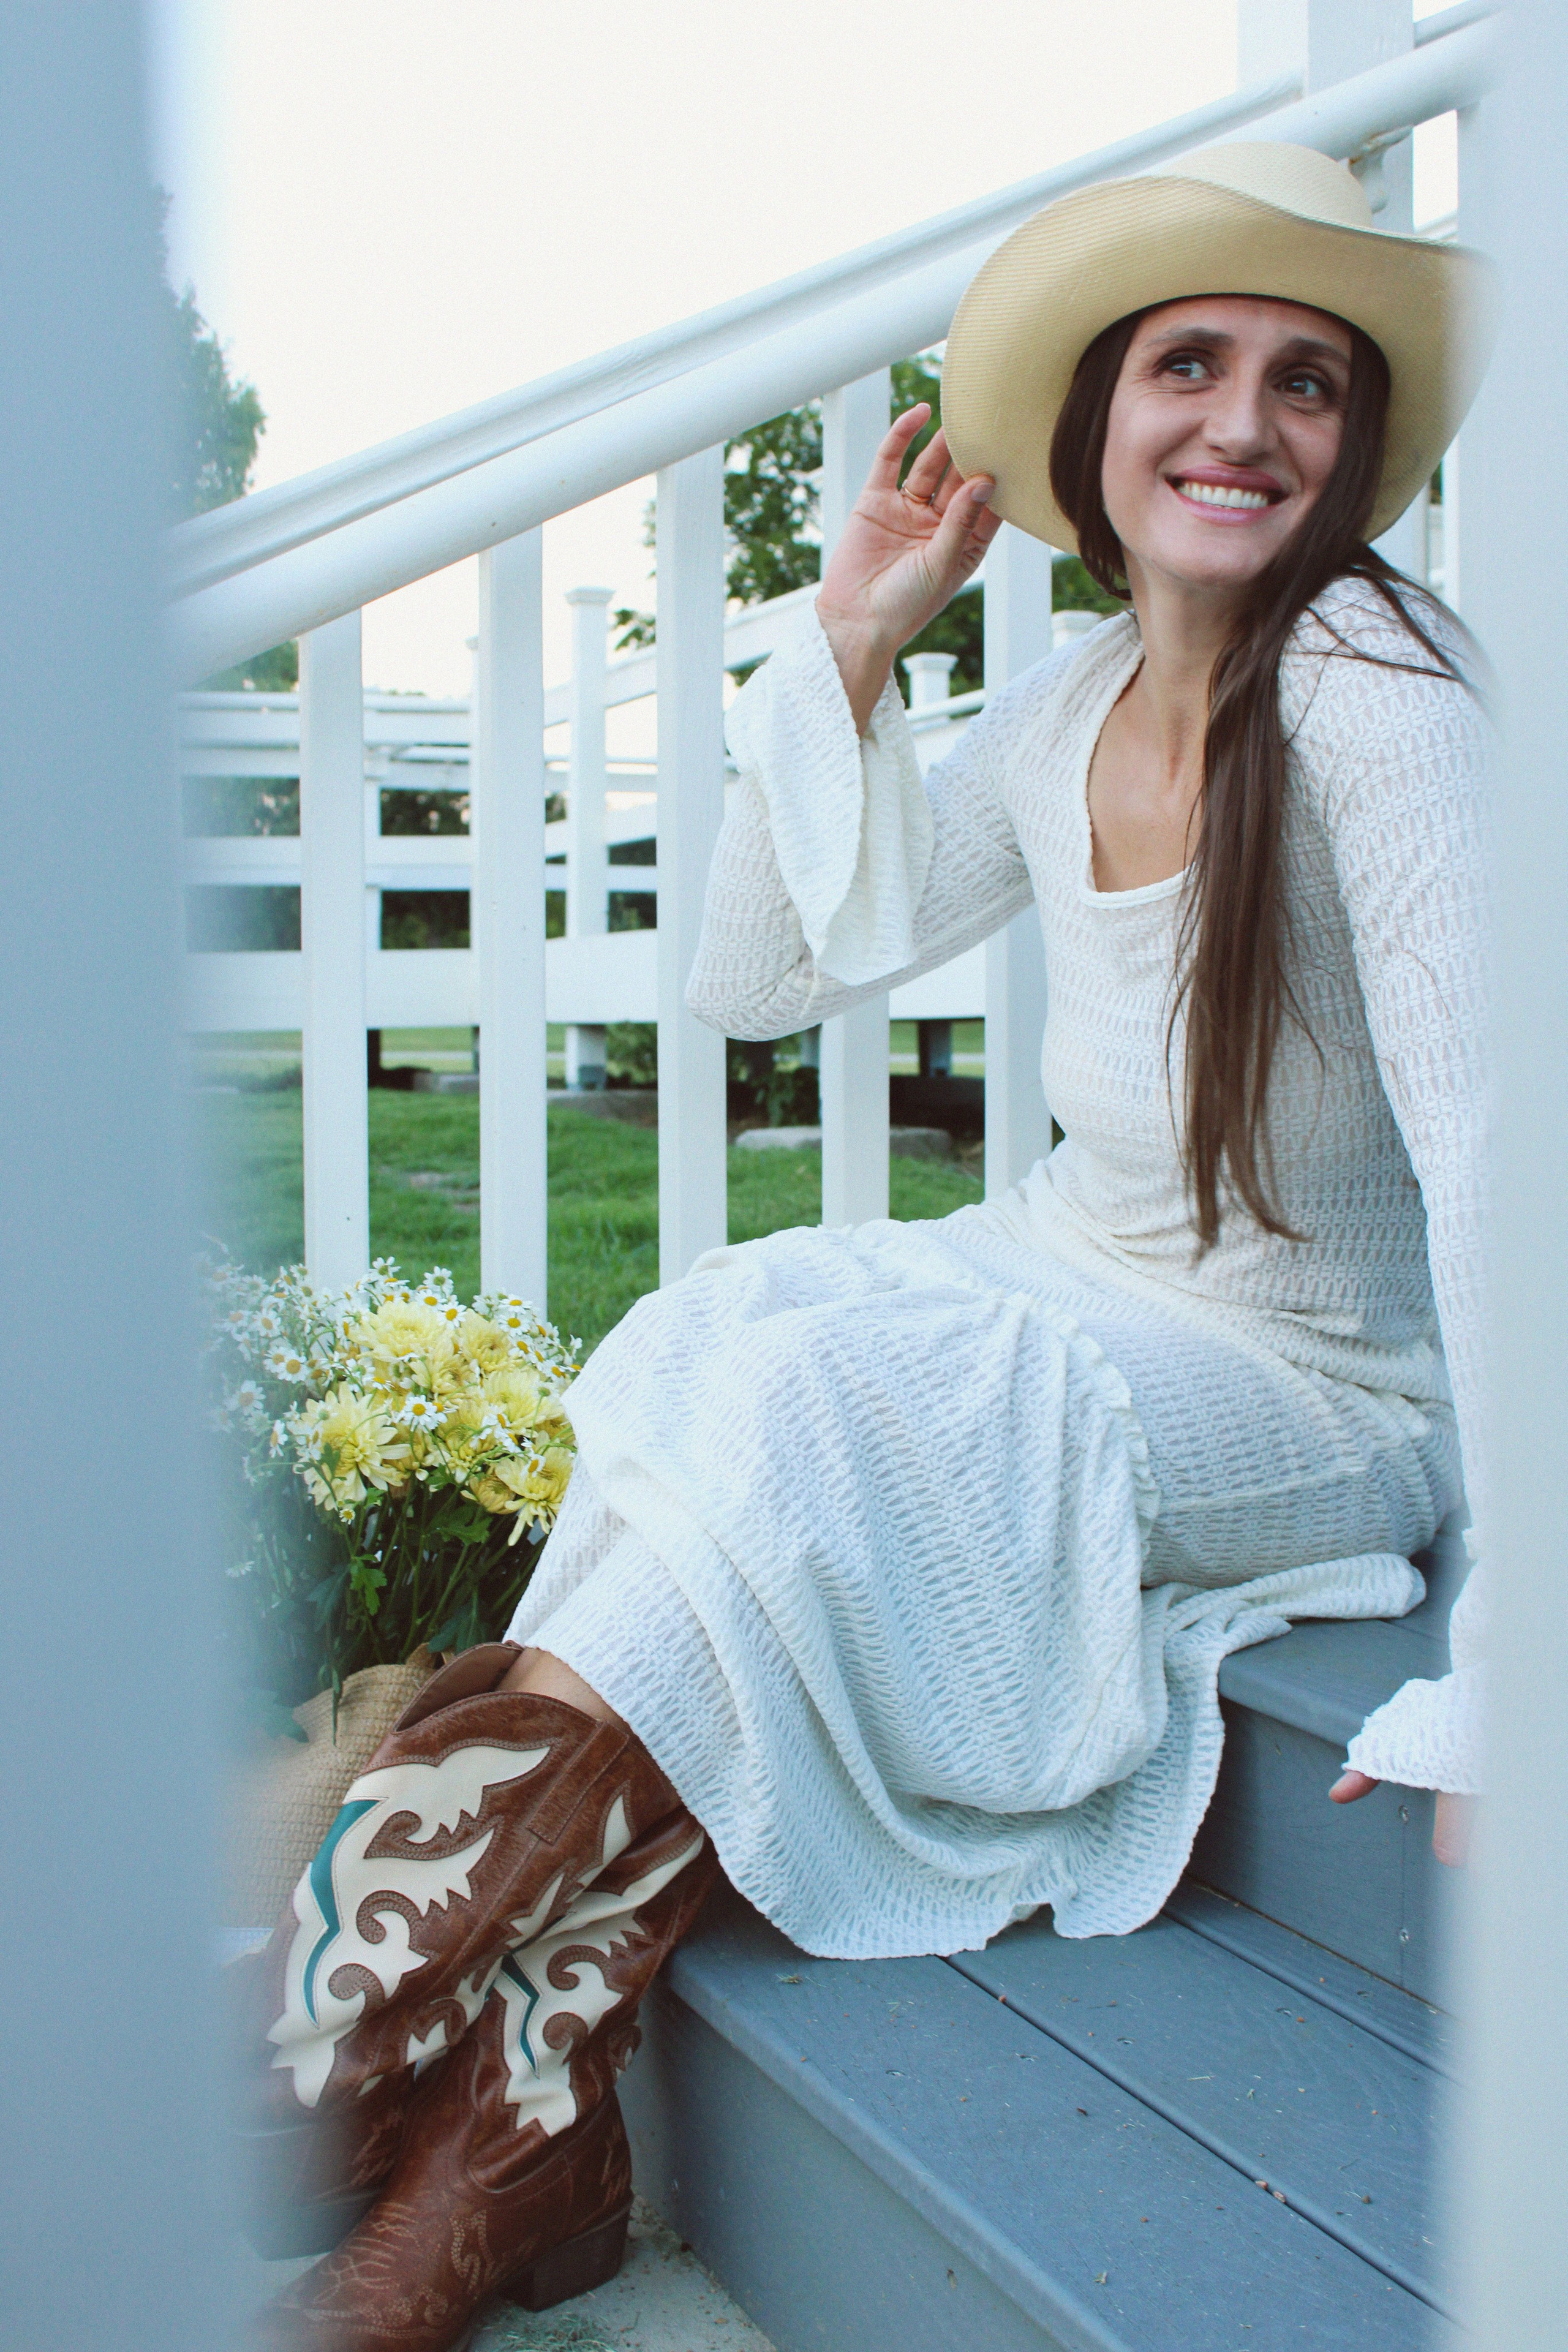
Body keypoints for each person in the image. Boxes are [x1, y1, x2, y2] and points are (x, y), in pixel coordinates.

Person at [240, 142, 1493, 2351]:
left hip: (1321, 1384)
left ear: (1359, 444)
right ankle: (487, 2136)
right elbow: (756, 985)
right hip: (1067, 1275)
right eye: (1189, 364)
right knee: (735, 1328)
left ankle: (353, 2075)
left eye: (1309, 382)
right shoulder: (1079, 694)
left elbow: (1510, 1163)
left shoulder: (1380, 694)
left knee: (824, 1414)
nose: (1245, 421)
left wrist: (1537, 1672)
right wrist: (847, 645)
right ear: (1098, 426)